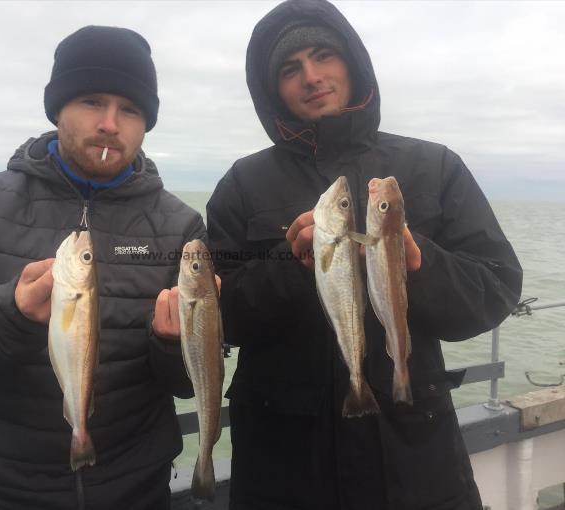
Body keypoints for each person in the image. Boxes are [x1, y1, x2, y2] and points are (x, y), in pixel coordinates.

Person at [206, 1, 523, 509]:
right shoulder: (242, 184)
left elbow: (497, 287)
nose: (311, 76)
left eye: (323, 55)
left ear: (351, 60)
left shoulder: (434, 165)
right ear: (272, 90)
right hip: (284, 466)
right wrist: (292, 269)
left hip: (415, 458)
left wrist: (422, 266)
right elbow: (218, 319)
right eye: (290, 69)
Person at [0, 26, 204, 510]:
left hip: (140, 493)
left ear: (146, 123)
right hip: (4, 496)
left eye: (130, 110)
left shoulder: (180, 226)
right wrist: (9, 317)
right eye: (91, 100)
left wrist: (172, 343)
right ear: (56, 107)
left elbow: (188, 386)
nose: (110, 123)